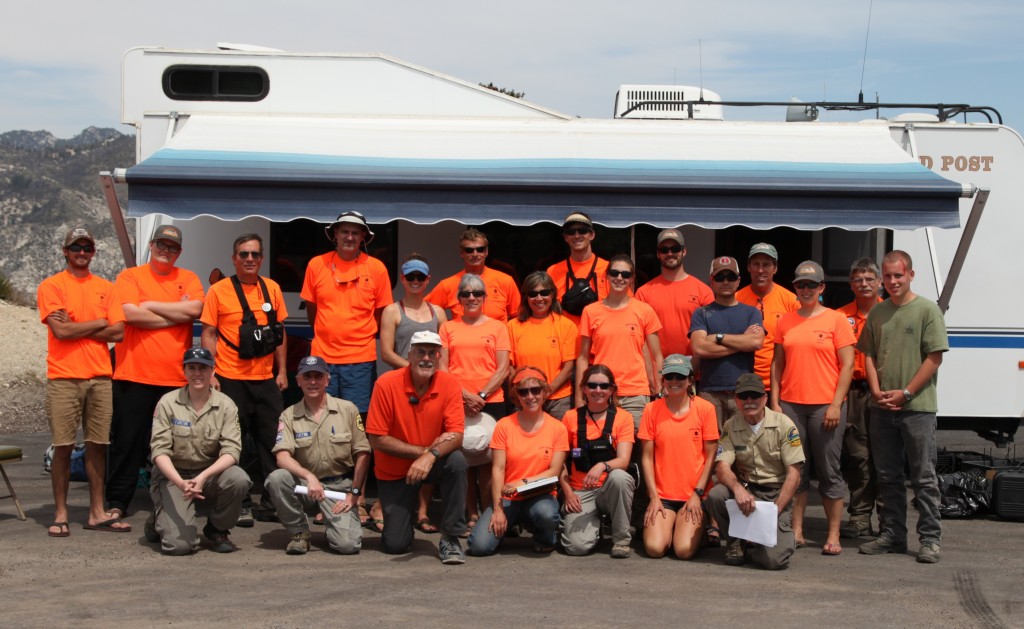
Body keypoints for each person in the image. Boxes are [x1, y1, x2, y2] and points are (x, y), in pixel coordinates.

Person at [106, 224, 205, 518]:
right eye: (161, 245)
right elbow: (127, 313)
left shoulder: (188, 278)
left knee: (177, 445)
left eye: (172, 247)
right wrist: (175, 313)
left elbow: (196, 310)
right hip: (132, 374)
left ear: (179, 252)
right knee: (127, 442)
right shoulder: (130, 276)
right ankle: (116, 502)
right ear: (151, 245)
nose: (166, 250)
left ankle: (175, 497)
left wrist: (148, 305)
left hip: (175, 378)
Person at [858, 251, 948, 564]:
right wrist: (876, 391)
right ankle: (893, 534)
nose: (893, 281)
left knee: (923, 476)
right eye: (888, 276)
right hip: (882, 408)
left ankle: (930, 540)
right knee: (888, 476)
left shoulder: (927, 310)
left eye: (899, 275)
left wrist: (906, 393)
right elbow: (867, 354)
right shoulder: (877, 313)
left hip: (918, 408)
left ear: (910, 274)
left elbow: (934, 358)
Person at [37, 227, 126, 537]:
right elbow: (60, 332)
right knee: (62, 447)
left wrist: (78, 325)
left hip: (100, 377)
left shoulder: (107, 288)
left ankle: (96, 512)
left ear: (94, 252)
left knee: (98, 446)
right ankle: (60, 512)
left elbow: (118, 333)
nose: (82, 253)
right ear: (66, 251)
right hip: (64, 377)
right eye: (76, 247)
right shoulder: (52, 286)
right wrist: (99, 322)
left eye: (87, 248)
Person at [200, 233, 288, 527]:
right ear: (234, 258)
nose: (249, 259)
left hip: (265, 379)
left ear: (261, 259)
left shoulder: (272, 289)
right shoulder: (218, 291)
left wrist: (282, 371)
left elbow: (279, 333)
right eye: (243, 255)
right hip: (229, 378)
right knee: (232, 444)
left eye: (254, 255)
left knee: (271, 443)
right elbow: (209, 333)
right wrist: (211, 373)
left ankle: (269, 501)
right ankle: (240, 502)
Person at [769, 261, 855, 555]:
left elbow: (848, 366)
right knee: (796, 469)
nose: (805, 290)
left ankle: (833, 534)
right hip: (792, 405)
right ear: (795, 288)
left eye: (811, 285)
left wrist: (836, 404)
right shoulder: (785, 321)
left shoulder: (836, 320)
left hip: (824, 406)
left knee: (830, 470)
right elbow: (777, 363)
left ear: (822, 288)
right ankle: (797, 530)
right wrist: (775, 401)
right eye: (800, 285)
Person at [366, 331, 468, 564]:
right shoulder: (386, 383)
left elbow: (457, 436)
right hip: (395, 472)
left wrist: (431, 456)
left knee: (457, 462)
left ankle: (451, 537)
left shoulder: (450, 383)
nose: (426, 358)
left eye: (432, 353)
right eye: (420, 352)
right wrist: (424, 452)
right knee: (396, 545)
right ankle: (400, 524)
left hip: (432, 463)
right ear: (409, 355)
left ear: (439, 357)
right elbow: (377, 439)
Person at [147, 347, 251, 555]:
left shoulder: (226, 405)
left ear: (213, 371)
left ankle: (217, 530)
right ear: (184, 371)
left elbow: (232, 451)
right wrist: (180, 482)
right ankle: (160, 517)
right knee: (180, 547)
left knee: (239, 479)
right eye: (192, 368)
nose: (197, 373)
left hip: (208, 474)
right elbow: (159, 452)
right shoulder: (168, 402)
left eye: (203, 368)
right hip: (173, 476)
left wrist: (203, 477)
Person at [264, 356, 371, 555]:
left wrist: (355, 493)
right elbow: (282, 457)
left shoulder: (348, 409)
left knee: (347, 546)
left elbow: (363, 453)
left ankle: (336, 524)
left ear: (327, 380)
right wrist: (309, 477)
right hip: (306, 487)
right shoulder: (288, 415)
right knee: (277, 479)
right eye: (307, 376)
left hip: (338, 488)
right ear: (298, 380)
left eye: (318, 376)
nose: (313, 381)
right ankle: (299, 533)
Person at [378, 254, 449, 535]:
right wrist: (415, 370)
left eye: (421, 277)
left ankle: (422, 511)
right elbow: (386, 352)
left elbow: (442, 355)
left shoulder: (439, 312)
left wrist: (440, 379)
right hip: (402, 386)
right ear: (403, 280)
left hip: (433, 389)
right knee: (401, 444)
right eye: (411, 277)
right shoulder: (392, 311)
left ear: (428, 280)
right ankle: (388, 503)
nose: (416, 282)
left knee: (432, 445)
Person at [705, 373, 805, 570]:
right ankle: (736, 543)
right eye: (744, 397)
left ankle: (761, 541)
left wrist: (775, 509)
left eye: (754, 396)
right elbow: (722, 467)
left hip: (776, 495)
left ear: (765, 398)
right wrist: (737, 489)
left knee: (773, 561)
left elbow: (794, 474)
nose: (749, 401)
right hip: (747, 490)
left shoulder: (784, 425)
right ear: (737, 400)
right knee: (716, 495)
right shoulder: (730, 426)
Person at [468, 367, 569, 556]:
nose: (530, 396)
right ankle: (505, 524)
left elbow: (555, 471)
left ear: (545, 393)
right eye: (524, 392)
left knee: (546, 514)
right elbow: (497, 469)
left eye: (536, 390)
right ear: (516, 396)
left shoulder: (558, 428)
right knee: (478, 547)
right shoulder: (504, 425)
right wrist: (498, 510)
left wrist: (522, 483)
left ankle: (545, 538)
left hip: (540, 496)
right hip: (508, 499)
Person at [300, 210, 392, 415]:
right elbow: (311, 308)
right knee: (320, 414)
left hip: (360, 360)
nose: (349, 237)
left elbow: (381, 313)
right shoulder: (316, 264)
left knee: (357, 417)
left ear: (363, 237)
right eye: (344, 232)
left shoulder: (377, 268)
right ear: (335, 234)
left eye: (355, 233)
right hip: (322, 358)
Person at [439, 274, 510, 532]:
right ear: (458, 299)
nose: (471, 298)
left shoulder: (498, 327)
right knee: (464, 460)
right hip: (457, 400)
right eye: (466, 293)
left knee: (490, 459)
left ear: (484, 298)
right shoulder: (448, 327)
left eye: (477, 293)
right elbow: (442, 367)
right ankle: (469, 513)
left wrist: (479, 396)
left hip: (491, 401)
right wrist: (463, 395)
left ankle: (489, 510)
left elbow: (503, 368)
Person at [638, 355, 719, 559]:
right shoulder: (651, 409)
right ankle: (670, 527)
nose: (674, 382)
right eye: (669, 376)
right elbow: (647, 458)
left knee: (683, 551)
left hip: (693, 495)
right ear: (663, 379)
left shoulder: (705, 409)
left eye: (680, 377)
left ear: (690, 380)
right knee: (655, 549)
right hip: (663, 496)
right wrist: (653, 496)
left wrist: (697, 494)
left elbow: (711, 457)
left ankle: (699, 527)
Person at [576, 254, 663, 426]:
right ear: (606, 275)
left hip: (636, 393)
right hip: (601, 391)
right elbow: (583, 358)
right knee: (603, 448)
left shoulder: (644, 310)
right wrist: (580, 397)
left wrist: (659, 389)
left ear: (632, 279)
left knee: (637, 446)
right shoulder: (590, 311)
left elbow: (657, 356)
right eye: (614, 273)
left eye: (625, 274)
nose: (619, 278)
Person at [559, 364, 636, 558]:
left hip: (609, 489)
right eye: (592, 385)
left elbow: (624, 460)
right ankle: (589, 528)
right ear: (583, 388)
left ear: (612, 390)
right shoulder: (570, 418)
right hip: (580, 490)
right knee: (576, 548)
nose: (598, 391)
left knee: (620, 477)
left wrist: (602, 465)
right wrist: (568, 493)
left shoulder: (623, 418)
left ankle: (621, 540)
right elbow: (559, 462)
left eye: (604, 386)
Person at [838, 257, 885, 539]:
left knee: (886, 456)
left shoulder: (891, 313)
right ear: (851, 284)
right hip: (854, 391)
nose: (864, 284)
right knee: (857, 457)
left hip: (884, 391)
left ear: (879, 282)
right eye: (858, 279)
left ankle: (888, 519)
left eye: (869, 279)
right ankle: (859, 516)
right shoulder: (839, 315)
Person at [689, 256, 765, 427]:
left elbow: (756, 343)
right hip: (710, 393)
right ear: (711, 281)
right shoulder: (701, 313)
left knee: (744, 448)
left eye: (730, 277)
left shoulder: (751, 312)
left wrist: (718, 337)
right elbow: (699, 348)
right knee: (712, 446)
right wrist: (741, 343)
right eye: (720, 277)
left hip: (745, 393)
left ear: (738, 281)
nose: (725, 281)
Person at [507, 271, 579, 420]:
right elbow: (509, 366)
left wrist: (547, 390)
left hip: (558, 399)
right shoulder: (512, 326)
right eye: (533, 294)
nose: (539, 298)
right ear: (526, 297)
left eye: (544, 292)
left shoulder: (566, 326)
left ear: (552, 294)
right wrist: (524, 392)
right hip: (525, 398)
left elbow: (569, 367)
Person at [634, 228, 713, 358]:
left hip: (692, 369)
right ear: (658, 254)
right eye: (664, 250)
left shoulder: (703, 291)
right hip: (658, 370)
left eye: (675, 248)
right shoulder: (643, 292)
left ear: (684, 251)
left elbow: (710, 334)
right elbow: (638, 337)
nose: (670, 253)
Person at [736, 243, 798, 389]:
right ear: (748, 267)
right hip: (744, 382)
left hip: (780, 383)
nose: (760, 270)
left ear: (775, 268)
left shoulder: (791, 301)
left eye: (766, 264)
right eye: (756, 264)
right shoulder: (736, 299)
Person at [427, 228, 520, 322]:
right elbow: (423, 310)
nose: (475, 254)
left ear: (486, 252)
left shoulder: (506, 281)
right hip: (462, 335)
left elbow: (518, 318)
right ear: (462, 253)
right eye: (469, 250)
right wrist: (444, 327)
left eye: (480, 249)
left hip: (497, 336)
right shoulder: (447, 285)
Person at [544, 212, 611, 325]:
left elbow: (624, 306)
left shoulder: (610, 269)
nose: (577, 235)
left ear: (592, 235)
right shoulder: (553, 271)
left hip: (600, 339)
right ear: (565, 237)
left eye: (583, 231)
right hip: (565, 338)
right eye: (571, 232)